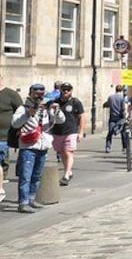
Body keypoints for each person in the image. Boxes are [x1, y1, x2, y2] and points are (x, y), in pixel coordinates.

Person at [11, 84, 66, 213]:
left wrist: (56, 111)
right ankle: (23, 202)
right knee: (26, 176)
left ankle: (31, 199)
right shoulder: (23, 108)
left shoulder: (47, 108)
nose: (39, 97)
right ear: (31, 93)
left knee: (36, 175)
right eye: (37, 94)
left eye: (42, 94)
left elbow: (61, 120)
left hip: (43, 146)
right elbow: (15, 123)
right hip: (28, 146)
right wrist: (28, 114)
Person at [50, 82, 85, 185]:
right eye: (64, 89)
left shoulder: (75, 102)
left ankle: (66, 175)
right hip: (58, 131)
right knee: (62, 152)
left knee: (68, 152)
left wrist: (81, 132)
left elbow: (82, 117)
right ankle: (68, 171)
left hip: (71, 130)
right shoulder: (55, 102)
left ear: (71, 90)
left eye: (68, 89)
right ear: (60, 90)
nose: (66, 91)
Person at [0, 71, 23, 203]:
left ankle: (1, 188)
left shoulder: (11, 94)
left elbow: (21, 113)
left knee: (3, 161)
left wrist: (19, 131)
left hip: (5, 136)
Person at [104, 85, 127, 153]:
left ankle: (108, 147)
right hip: (120, 117)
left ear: (115, 90)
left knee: (110, 132)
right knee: (123, 132)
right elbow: (123, 108)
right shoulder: (122, 98)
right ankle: (124, 147)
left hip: (112, 117)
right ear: (121, 90)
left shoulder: (111, 97)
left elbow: (107, 104)